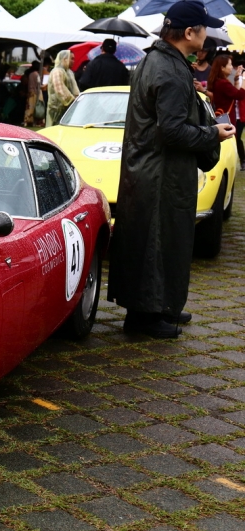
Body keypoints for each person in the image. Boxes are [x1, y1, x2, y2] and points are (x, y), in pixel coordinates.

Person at [107, 1, 234, 339]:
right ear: (189, 32)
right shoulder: (169, 68)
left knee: (155, 241)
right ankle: (144, 318)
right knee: (157, 242)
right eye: (204, 28)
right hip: (160, 174)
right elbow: (173, 130)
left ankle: (160, 306)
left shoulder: (157, 60)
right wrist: (213, 133)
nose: (208, 34)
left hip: (149, 170)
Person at [207, 54, 245, 170]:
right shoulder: (223, 83)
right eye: (229, 65)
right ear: (222, 68)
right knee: (228, 144)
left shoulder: (219, 82)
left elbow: (233, 94)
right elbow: (240, 94)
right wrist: (243, 78)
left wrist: (236, 79)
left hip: (223, 116)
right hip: (227, 118)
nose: (231, 67)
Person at [46, 50, 79, 127]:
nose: (73, 61)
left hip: (67, 108)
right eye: (72, 58)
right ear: (65, 59)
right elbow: (60, 90)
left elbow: (75, 90)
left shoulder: (69, 72)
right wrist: (73, 101)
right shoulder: (57, 71)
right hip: (56, 109)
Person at [23, 61, 43, 127]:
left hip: (29, 92)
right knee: (34, 108)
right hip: (35, 93)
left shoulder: (30, 74)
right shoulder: (37, 75)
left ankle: (26, 120)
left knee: (28, 107)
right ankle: (34, 121)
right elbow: (39, 84)